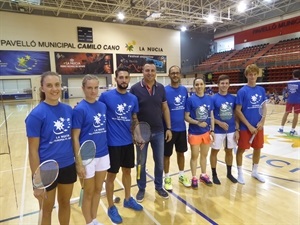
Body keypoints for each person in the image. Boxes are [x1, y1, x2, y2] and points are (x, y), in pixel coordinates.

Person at [25, 71, 77, 225]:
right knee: (46, 210)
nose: (54, 89)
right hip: (46, 170)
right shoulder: (36, 115)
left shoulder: (68, 110)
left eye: (57, 85)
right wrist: (37, 182)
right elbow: (33, 152)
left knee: (65, 203)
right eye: (49, 85)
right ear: (42, 88)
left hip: (68, 165)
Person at [99, 68, 143, 224]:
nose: (124, 80)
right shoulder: (106, 97)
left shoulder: (133, 98)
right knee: (111, 177)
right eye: (121, 77)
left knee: (127, 172)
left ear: (129, 79)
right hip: (112, 144)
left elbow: (134, 119)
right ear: (115, 79)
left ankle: (127, 199)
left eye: (126, 77)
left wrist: (138, 136)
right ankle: (111, 207)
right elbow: (96, 112)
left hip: (127, 143)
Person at [130, 61, 172, 202]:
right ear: (142, 71)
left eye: (152, 70)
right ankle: (141, 189)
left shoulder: (161, 88)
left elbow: (165, 108)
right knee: (140, 163)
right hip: (141, 133)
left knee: (159, 162)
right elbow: (132, 113)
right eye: (147, 70)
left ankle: (159, 186)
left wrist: (169, 128)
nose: (150, 73)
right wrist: (136, 133)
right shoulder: (135, 89)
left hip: (159, 131)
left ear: (156, 72)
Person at [72, 74, 110, 225]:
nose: (93, 91)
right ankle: (88, 222)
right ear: (83, 89)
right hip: (87, 155)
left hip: (103, 153)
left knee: (98, 189)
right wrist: (79, 162)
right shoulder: (79, 109)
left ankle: (93, 219)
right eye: (89, 88)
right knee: (88, 192)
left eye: (96, 87)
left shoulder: (102, 106)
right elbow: (75, 137)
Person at [235, 64, 266, 184]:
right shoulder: (242, 91)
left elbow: (264, 107)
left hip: (258, 127)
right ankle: (240, 173)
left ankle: (255, 172)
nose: (252, 76)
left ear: (257, 75)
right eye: (250, 74)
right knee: (241, 150)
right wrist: (248, 126)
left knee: (258, 148)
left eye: (254, 74)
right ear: (246, 75)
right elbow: (238, 110)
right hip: (245, 127)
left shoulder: (261, 90)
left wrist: (262, 121)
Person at [163, 65, 191, 191]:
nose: (175, 75)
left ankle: (181, 175)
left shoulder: (184, 90)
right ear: (169, 75)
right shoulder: (164, 90)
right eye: (172, 73)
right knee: (167, 155)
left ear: (180, 74)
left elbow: (187, 110)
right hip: (168, 130)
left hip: (181, 129)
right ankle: (167, 177)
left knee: (181, 153)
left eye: (177, 73)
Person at [184, 76, 215, 189]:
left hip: (206, 133)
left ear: (204, 86)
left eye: (201, 84)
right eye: (197, 85)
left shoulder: (209, 99)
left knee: (204, 155)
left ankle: (203, 174)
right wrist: (197, 123)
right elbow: (186, 117)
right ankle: (194, 177)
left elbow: (211, 116)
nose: (199, 86)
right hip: (194, 133)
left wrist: (212, 130)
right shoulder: (190, 100)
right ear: (194, 87)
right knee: (194, 156)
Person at [210, 75, 238, 185]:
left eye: (226, 83)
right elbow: (210, 116)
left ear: (229, 85)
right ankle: (214, 174)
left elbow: (236, 115)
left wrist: (237, 129)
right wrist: (219, 123)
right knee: (214, 152)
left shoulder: (233, 98)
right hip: (217, 131)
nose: (224, 85)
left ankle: (229, 173)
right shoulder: (213, 99)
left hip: (231, 130)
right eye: (222, 83)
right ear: (218, 85)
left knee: (229, 152)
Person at [278, 69, 300, 136]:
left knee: (286, 113)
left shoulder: (289, 82)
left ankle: (281, 128)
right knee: (296, 115)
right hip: (298, 101)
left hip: (290, 100)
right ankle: (292, 131)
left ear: (293, 75)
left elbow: (288, 91)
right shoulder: (299, 82)